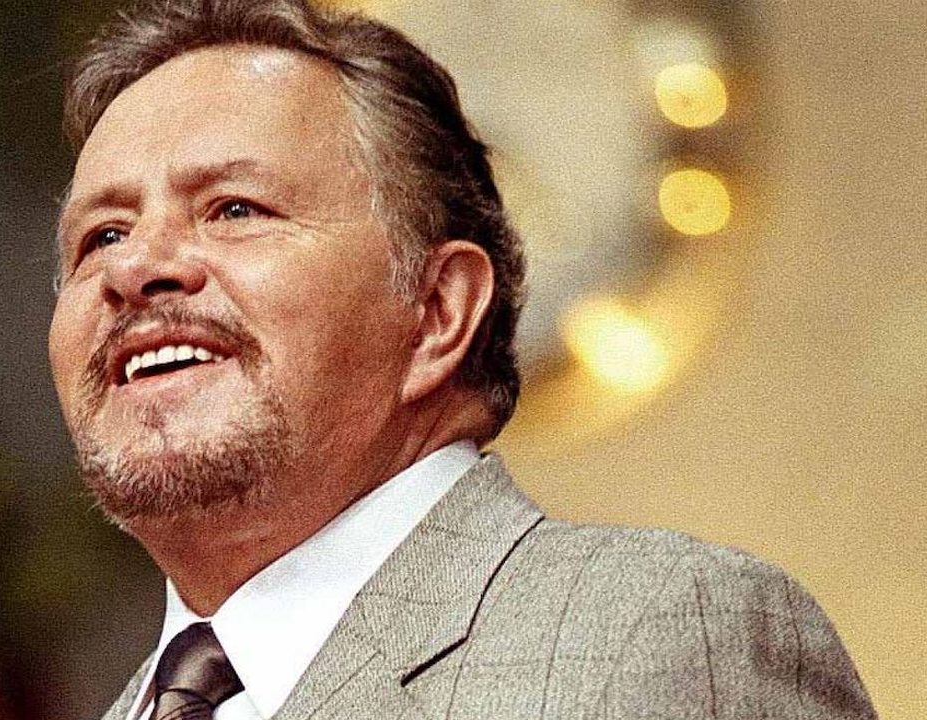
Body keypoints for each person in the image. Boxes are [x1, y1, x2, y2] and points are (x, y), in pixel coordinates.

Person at [47, 1, 878, 718]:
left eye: (234, 209)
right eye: (102, 235)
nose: (133, 267)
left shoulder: (665, 636)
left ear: (437, 311)